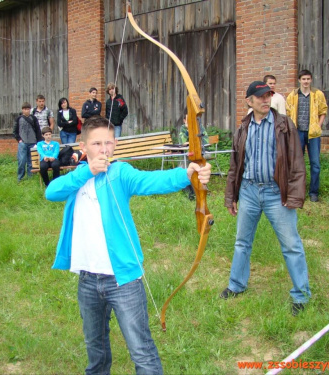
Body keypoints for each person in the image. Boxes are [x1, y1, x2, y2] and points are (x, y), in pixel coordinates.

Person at [46, 116, 211, 374]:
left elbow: (151, 182)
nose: (103, 149)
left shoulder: (120, 172)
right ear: (83, 145)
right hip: (88, 279)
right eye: (97, 143)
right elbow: (51, 192)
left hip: (123, 279)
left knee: (141, 350)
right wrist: (87, 172)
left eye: (108, 143)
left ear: (116, 144)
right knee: (95, 348)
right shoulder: (78, 176)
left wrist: (187, 174)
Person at [220, 81, 310, 316]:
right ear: (249, 101)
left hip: (275, 193)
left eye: (268, 95)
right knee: (242, 242)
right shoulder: (243, 128)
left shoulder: (284, 125)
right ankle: (236, 285)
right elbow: (235, 166)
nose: (265, 99)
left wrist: (293, 196)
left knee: (291, 245)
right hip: (249, 191)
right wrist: (232, 197)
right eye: (260, 96)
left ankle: (301, 295)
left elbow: (297, 163)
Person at [286, 69, 328, 202]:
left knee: (315, 163)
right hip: (298, 132)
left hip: (313, 134)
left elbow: (323, 111)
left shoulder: (317, 94)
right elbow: (287, 113)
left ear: (311, 80)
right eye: (303, 79)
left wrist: (318, 125)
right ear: (299, 80)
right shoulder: (292, 95)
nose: (306, 81)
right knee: (297, 163)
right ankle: (298, 190)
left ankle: (314, 192)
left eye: (308, 79)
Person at [179, 110, 209, 200]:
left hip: (200, 153)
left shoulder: (200, 127)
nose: (191, 122)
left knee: (196, 165)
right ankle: (188, 191)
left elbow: (205, 141)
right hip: (187, 154)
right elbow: (182, 142)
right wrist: (189, 129)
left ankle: (199, 190)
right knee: (184, 165)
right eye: (188, 120)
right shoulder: (183, 129)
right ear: (184, 121)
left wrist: (193, 140)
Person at [13, 101, 43, 182]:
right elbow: (15, 131)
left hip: (33, 142)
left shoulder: (33, 118)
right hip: (22, 143)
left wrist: (38, 142)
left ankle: (31, 178)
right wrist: (19, 140)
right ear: (22, 110)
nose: (26, 111)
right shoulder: (18, 119)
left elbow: (38, 131)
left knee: (31, 162)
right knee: (22, 161)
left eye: (28, 109)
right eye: (25, 109)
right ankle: (20, 177)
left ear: (30, 109)